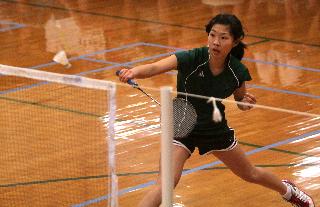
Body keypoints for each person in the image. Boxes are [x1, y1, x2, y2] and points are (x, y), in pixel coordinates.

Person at [118, 13, 315, 207]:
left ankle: (289, 191)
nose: (216, 42)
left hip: (214, 129)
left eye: (223, 37)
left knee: (250, 174)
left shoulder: (237, 71)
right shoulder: (192, 57)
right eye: (212, 35)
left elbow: (240, 100)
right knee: (165, 184)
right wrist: (133, 72)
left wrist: (246, 103)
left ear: (235, 42)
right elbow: (154, 67)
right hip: (182, 126)